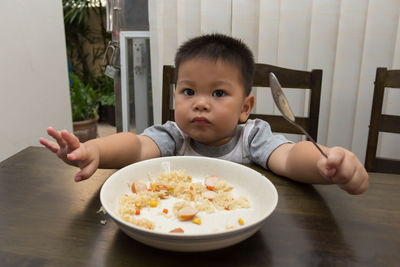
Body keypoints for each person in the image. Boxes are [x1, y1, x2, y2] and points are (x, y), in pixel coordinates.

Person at [39, 33, 368, 194]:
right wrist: (95, 149)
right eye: (188, 91)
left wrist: (326, 164)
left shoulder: (251, 137)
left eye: (219, 93)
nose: (200, 103)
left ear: (245, 109)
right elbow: (137, 146)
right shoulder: (174, 136)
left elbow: (290, 156)